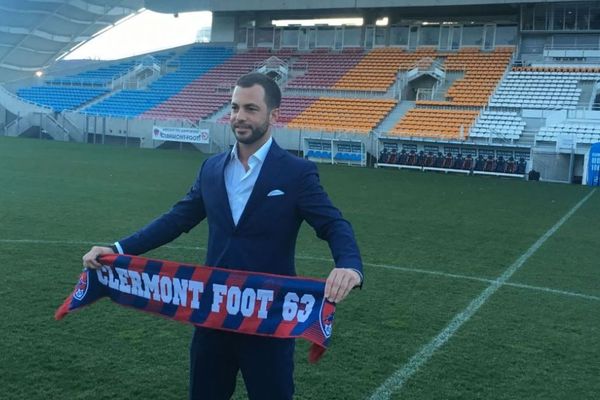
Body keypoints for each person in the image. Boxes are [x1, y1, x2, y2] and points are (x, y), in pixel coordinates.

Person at [82, 72, 363, 400]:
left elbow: (333, 224)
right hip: (212, 314)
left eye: (251, 109)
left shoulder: (296, 173)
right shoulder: (212, 168)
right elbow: (177, 219)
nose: (240, 117)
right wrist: (117, 248)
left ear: (274, 116)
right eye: (234, 108)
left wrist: (349, 265)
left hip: (268, 317)